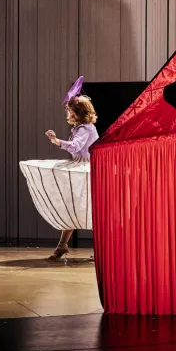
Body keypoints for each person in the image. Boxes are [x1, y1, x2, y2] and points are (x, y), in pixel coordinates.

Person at [41, 79, 99, 261]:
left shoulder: (86, 128)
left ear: (77, 113)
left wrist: (57, 141)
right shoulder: (80, 127)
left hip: (87, 170)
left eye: (69, 109)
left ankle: (99, 250)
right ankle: (63, 245)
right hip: (80, 167)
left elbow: (75, 147)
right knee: (71, 206)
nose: (67, 111)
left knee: (90, 208)